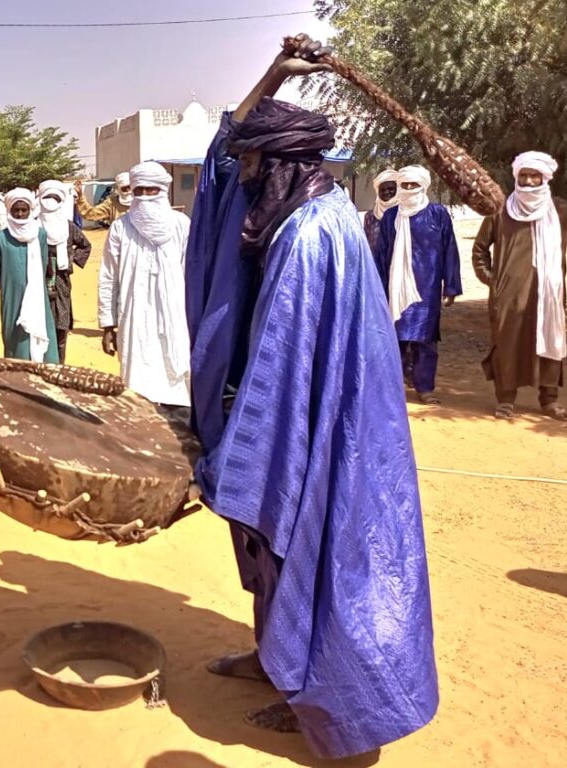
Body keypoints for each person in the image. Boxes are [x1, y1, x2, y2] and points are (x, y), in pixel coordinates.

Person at [185, 36, 438, 759]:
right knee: (272, 549)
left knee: (314, 546)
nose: (244, 176)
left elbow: (284, 369)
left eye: (257, 165)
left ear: (284, 165)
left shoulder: (309, 234)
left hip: (318, 425)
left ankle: (331, 706)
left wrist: (234, 451)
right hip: (299, 406)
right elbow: (221, 163)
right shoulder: (295, 205)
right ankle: (276, 665)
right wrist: (271, 75)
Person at [473, 151, 567, 421]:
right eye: (524, 175)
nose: (529, 181)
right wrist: (493, 281)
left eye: (535, 175)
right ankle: (506, 400)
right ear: (516, 176)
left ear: (545, 178)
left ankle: (549, 400)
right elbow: (480, 249)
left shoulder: (561, 210)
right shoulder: (500, 209)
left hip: (549, 295)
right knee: (506, 344)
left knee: (549, 340)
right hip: (509, 298)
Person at [97, 161, 191, 407]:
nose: (146, 196)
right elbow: (108, 276)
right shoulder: (120, 228)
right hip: (134, 319)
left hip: (175, 318)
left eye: (152, 190)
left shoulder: (181, 225)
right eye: (140, 191)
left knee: (177, 391)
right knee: (136, 394)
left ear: (162, 190)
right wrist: (108, 324)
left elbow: (191, 274)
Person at [373, 165, 461, 405]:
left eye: (414, 185)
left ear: (423, 186)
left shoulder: (437, 214)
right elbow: (382, 255)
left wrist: (450, 286)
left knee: (425, 338)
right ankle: (393, 389)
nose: (409, 189)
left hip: (427, 288)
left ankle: (425, 388)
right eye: (405, 185)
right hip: (395, 288)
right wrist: (377, 288)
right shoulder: (391, 216)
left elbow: (449, 250)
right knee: (394, 340)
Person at [0, 188, 59, 363]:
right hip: (11, 298)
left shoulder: (40, 235)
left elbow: (44, 264)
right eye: (15, 210)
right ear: (9, 210)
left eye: (24, 210)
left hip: (38, 297)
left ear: (30, 210)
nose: (20, 214)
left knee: (43, 344)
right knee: (16, 344)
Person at [39, 180, 92, 364]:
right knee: (41, 324)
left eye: (54, 198)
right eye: (47, 197)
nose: (50, 202)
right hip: (39, 282)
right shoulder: (34, 226)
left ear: (60, 201)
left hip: (61, 282)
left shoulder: (68, 227)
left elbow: (85, 245)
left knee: (61, 326)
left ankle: (59, 366)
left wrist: (69, 259)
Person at [363, 168, 398, 252]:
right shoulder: (370, 216)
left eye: (390, 189)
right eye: (382, 190)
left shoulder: (403, 213)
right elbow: (366, 243)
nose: (386, 192)